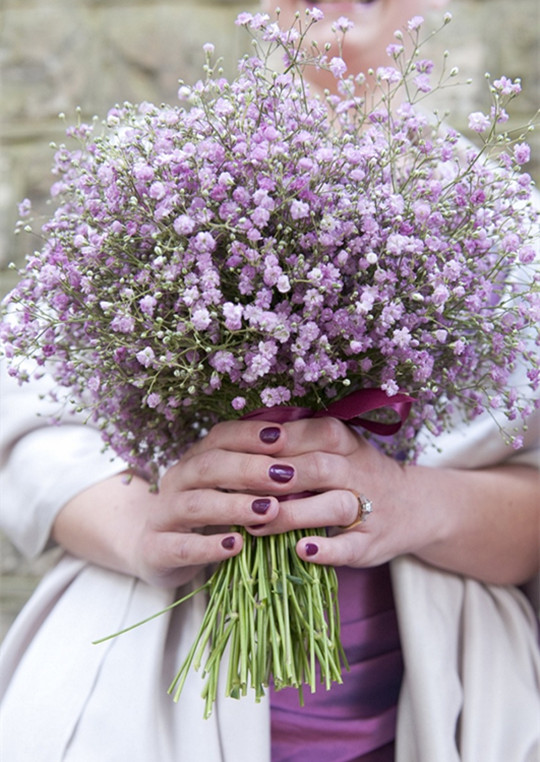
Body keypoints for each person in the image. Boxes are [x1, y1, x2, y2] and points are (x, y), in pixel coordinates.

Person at [1, 0, 539, 760]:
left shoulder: (499, 224)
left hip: (443, 700)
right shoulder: (157, 177)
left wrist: (416, 502)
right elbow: (29, 428)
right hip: (147, 690)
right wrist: (142, 524)